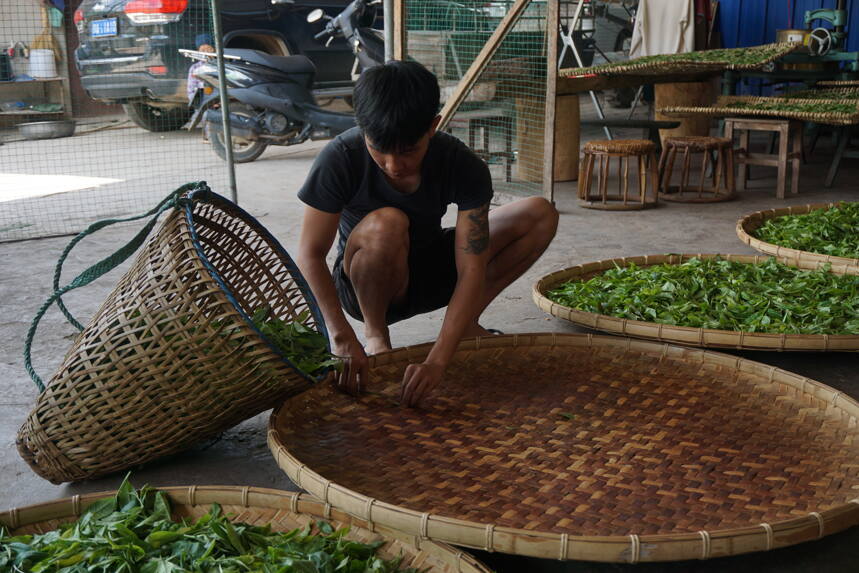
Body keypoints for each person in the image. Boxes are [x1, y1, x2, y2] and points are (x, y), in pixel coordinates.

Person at [296, 60, 558, 407]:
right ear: (362, 130)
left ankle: (464, 326)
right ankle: (376, 334)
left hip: (429, 272)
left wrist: (438, 359)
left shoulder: (460, 163)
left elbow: (471, 268)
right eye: (379, 149)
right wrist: (341, 337)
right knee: (388, 223)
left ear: (433, 127)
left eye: (408, 151)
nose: (392, 165)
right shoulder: (340, 157)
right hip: (366, 285)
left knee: (539, 213)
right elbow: (309, 254)